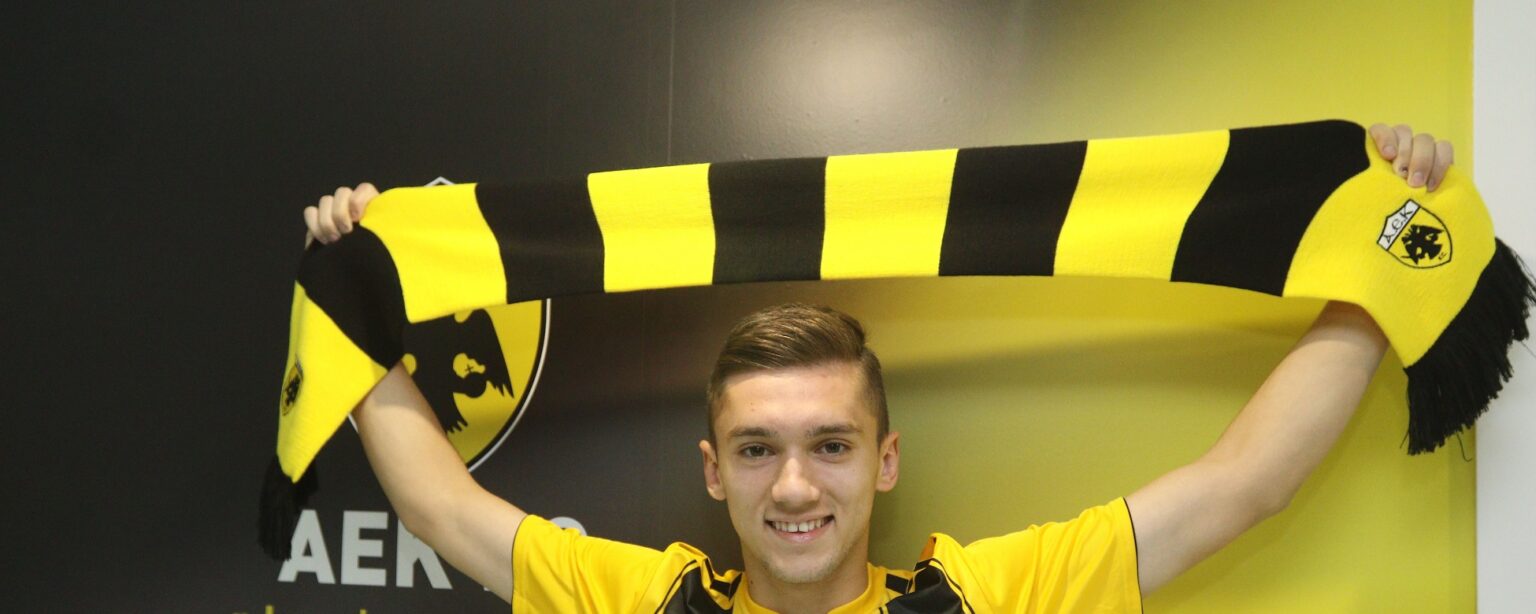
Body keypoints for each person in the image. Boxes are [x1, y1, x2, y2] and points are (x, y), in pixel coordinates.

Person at [302, 124, 1453, 612]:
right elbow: (443, 508)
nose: (796, 484)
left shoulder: (980, 595)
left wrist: (1380, 259)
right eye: (758, 448)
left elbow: (1244, 481)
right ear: (713, 469)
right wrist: (353, 288)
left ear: (886, 458)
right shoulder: (650, 600)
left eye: (831, 443)